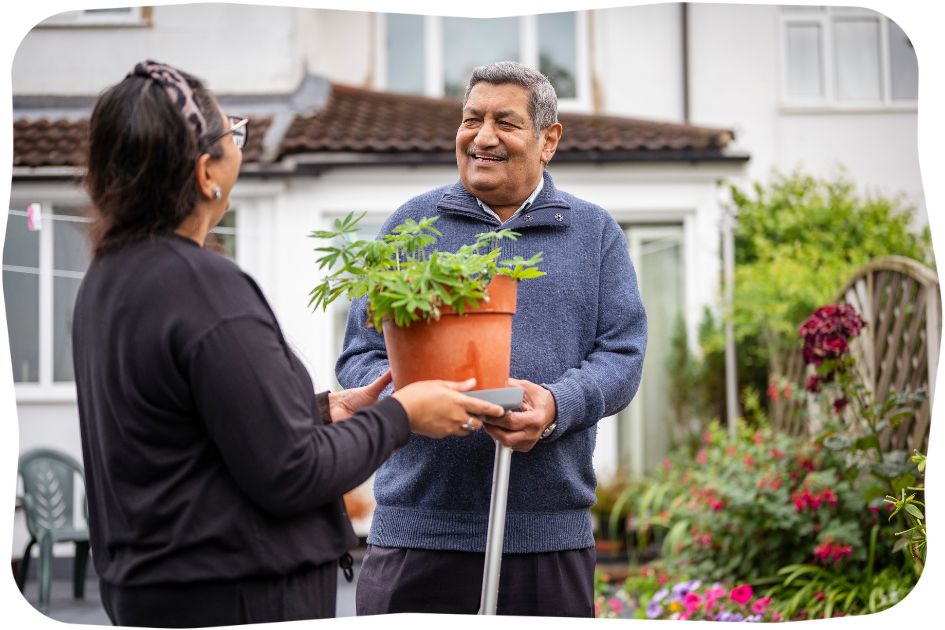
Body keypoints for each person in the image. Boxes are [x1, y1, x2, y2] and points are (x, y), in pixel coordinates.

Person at [71, 60, 505, 628]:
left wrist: (321, 411)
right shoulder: (203, 286)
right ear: (207, 173)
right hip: (236, 596)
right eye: (235, 133)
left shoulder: (107, 282)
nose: (240, 147)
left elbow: (192, 433)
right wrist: (402, 416)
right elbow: (291, 473)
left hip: (155, 594)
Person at [337, 61, 648, 617]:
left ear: (548, 140)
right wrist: (407, 406)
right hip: (418, 533)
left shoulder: (593, 233)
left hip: (547, 539)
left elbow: (622, 354)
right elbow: (363, 354)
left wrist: (555, 406)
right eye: (470, 119)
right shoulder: (413, 227)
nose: (482, 137)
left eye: (505, 122)